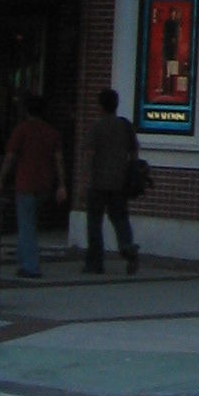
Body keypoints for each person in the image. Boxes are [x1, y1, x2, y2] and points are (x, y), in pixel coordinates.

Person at [0, 96, 66, 279]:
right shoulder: (52, 133)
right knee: (30, 224)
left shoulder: (22, 130)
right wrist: (61, 185)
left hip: (25, 183)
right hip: (45, 184)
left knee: (26, 225)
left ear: (27, 111)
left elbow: (10, 157)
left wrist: (0, 181)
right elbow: (58, 160)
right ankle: (23, 258)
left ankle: (30, 266)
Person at [84, 87, 140, 276]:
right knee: (120, 219)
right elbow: (134, 152)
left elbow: (90, 154)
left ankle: (95, 262)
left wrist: (87, 176)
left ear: (100, 106)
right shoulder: (125, 126)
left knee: (94, 223)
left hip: (98, 182)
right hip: (120, 181)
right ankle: (127, 247)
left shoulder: (97, 127)